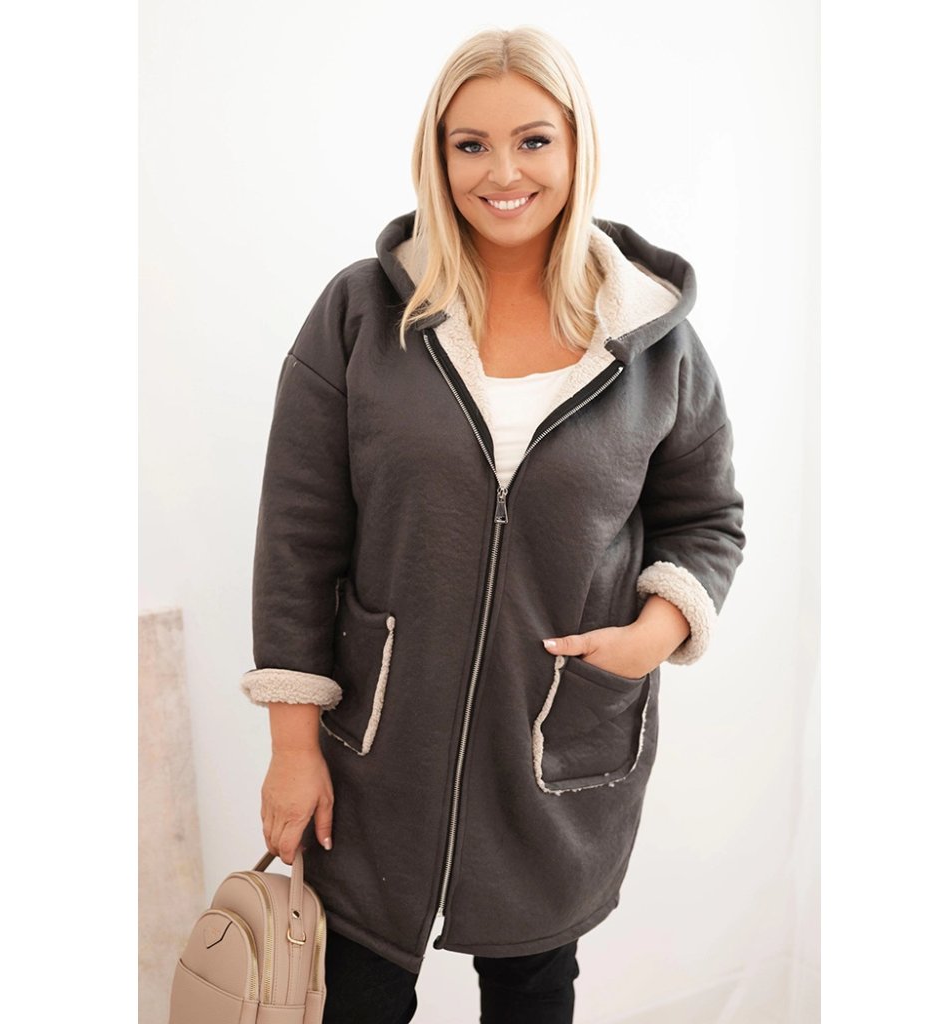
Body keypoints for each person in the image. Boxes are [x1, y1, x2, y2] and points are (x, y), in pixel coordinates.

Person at [239, 25, 746, 1024]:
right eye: (470, 144)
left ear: (576, 146)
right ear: (436, 155)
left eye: (532, 140)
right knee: (357, 995)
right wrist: (292, 745)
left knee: (533, 991)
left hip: (556, 741)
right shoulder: (360, 316)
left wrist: (652, 635)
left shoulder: (653, 343)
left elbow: (706, 518)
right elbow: (297, 537)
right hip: (380, 744)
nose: (502, 173)